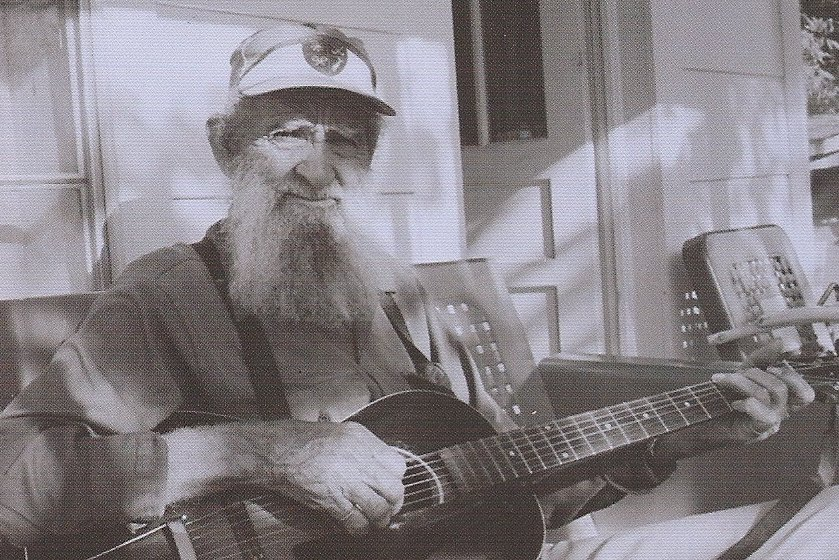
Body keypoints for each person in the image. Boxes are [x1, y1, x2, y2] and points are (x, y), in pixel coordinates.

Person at [0, 23, 826, 559]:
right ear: (227, 148)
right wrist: (266, 451)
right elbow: (13, 488)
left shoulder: (401, 297)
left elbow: (508, 485)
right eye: (288, 133)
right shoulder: (169, 295)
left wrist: (670, 442)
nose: (319, 169)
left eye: (346, 142)